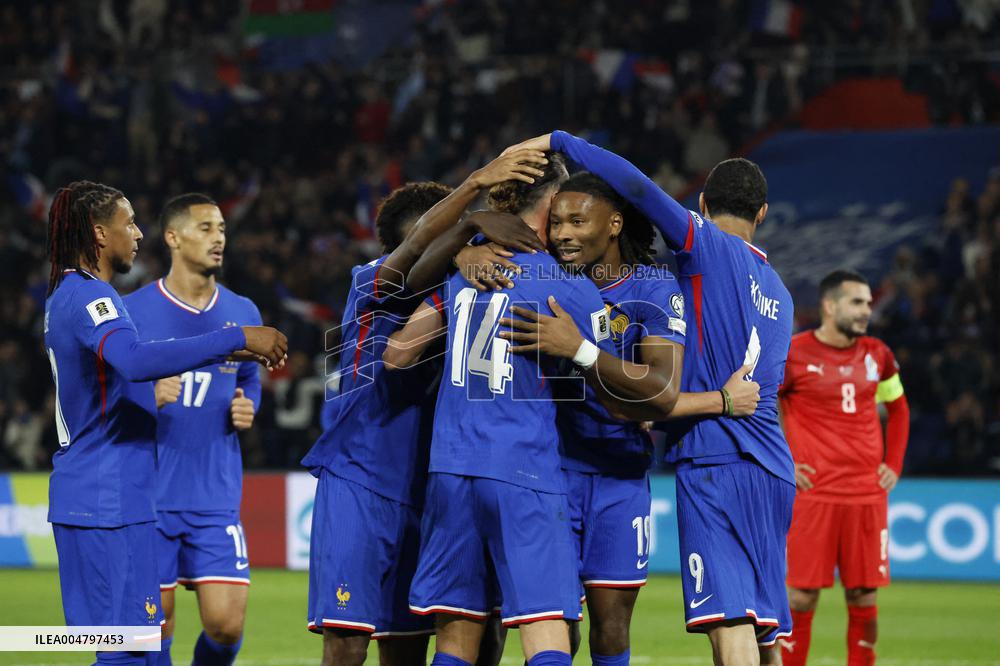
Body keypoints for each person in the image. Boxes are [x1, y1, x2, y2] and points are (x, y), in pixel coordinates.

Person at [504, 132, 795, 665]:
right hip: (768, 465)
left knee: (722, 621)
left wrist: (560, 140)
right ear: (764, 213)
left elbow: (637, 186)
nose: (563, 233)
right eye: (557, 222)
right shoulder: (778, 289)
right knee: (763, 628)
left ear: (702, 206)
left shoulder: (694, 258)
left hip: (706, 461)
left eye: (577, 221)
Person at [301, 149, 548, 666]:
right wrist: (477, 186)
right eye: (450, 233)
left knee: (413, 648)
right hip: (360, 480)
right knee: (346, 646)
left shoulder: (465, 290)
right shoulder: (370, 281)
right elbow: (414, 254)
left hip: (434, 487)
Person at [43, 181, 286, 666]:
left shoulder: (79, 296)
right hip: (105, 498)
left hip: (112, 495)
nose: (137, 233)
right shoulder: (93, 299)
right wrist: (235, 336)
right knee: (125, 654)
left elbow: (123, 373)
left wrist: (236, 349)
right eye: (127, 222)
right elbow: (133, 360)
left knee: (135, 651)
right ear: (98, 233)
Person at [384, 153, 612, 666]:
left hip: (450, 468)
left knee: (458, 627)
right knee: (544, 623)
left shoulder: (467, 270)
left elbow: (397, 354)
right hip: (522, 468)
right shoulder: (566, 286)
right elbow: (621, 387)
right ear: (553, 204)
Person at [123, 194, 264, 666]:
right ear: (173, 237)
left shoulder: (243, 311)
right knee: (151, 632)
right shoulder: (134, 312)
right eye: (205, 228)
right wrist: (143, 394)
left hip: (214, 496)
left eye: (222, 228)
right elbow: (100, 393)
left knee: (226, 627)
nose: (219, 237)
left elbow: (249, 380)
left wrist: (250, 406)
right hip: (150, 499)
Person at [778, 270, 910, 666]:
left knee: (864, 595)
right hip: (814, 494)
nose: (866, 311)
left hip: (866, 495)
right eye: (857, 303)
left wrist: (893, 463)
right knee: (800, 596)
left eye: (868, 303)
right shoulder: (794, 353)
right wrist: (786, 461)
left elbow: (899, 409)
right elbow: (766, 406)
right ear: (830, 306)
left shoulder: (878, 355)